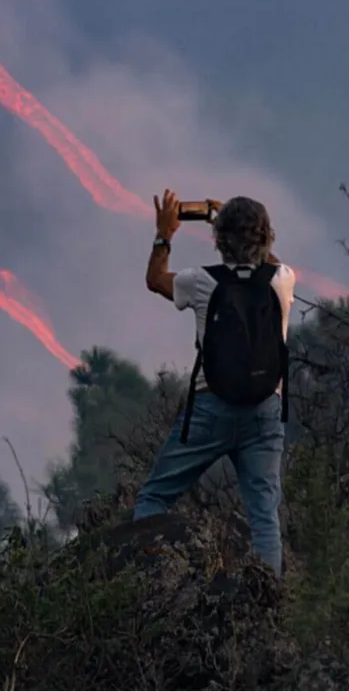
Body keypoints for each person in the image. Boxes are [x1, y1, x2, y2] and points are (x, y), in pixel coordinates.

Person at [137, 191, 294, 575]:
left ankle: (145, 584)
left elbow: (155, 280)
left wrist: (164, 234)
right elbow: (270, 263)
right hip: (265, 414)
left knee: (155, 498)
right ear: (267, 237)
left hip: (212, 409)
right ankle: (266, 607)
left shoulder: (201, 281)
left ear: (219, 241)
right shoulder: (283, 281)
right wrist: (237, 226)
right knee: (264, 520)